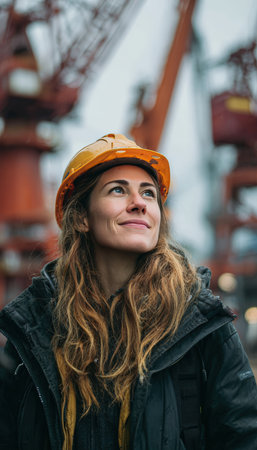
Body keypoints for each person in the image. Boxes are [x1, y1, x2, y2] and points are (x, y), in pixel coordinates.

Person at [0, 133, 257, 450]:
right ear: (81, 217)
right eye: (118, 190)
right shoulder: (34, 328)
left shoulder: (201, 322)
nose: (139, 203)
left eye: (149, 194)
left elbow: (244, 436)